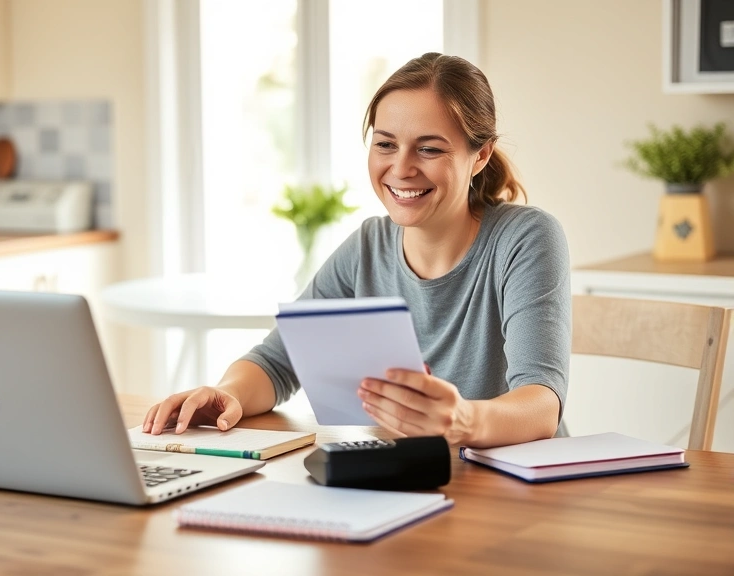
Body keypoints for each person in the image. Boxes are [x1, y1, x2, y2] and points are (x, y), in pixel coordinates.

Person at [142, 52, 570, 448]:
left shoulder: (525, 239)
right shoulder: (367, 246)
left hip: (514, 488)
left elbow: (541, 404)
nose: (401, 168)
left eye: (430, 148)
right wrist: (228, 393)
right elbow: (276, 361)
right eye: (385, 144)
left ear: (480, 156)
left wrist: (461, 420)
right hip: (409, 479)